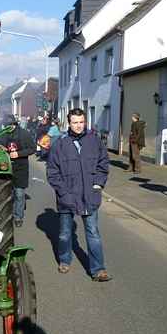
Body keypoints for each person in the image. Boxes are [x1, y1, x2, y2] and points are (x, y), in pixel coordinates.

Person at [47, 108, 111, 282]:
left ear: (85, 122)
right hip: (67, 197)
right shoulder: (59, 143)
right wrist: (63, 193)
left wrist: (98, 184)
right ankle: (65, 260)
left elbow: (103, 164)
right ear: (69, 123)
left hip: (89, 195)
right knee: (65, 233)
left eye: (81, 122)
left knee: (93, 232)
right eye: (75, 122)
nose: (78, 126)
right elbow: (53, 172)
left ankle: (98, 269)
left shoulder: (94, 141)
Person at [0, 114, 35, 228]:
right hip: (6, 167)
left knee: (19, 193)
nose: (8, 127)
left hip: (21, 167)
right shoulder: (3, 134)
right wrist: (1, 148)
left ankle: (18, 217)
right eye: (6, 125)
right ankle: (8, 214)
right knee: (8, 193)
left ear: (14, 124)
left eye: (10, 125)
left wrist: (18, 154)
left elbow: (32, 149)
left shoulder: (24, 134)